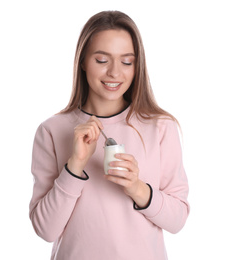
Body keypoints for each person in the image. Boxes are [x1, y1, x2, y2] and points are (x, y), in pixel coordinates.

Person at [29, 10, 190, 260]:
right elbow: (45, 230)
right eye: (102, 60)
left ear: (138, 66)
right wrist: (75, 166)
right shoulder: (52, 130)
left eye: (127, 62)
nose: (115, 73)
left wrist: (137, 188)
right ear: (82, 61)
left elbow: (178, 220)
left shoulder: (160, 126)